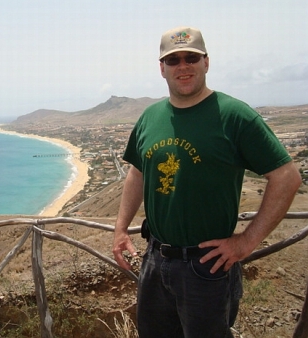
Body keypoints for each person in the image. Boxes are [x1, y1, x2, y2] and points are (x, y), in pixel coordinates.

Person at [112, 26, 302, 338]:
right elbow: (138, 171)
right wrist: (121, 229)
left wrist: (245, 242)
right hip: (155, 260)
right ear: (162, 68)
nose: (183, 66)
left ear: (206, 63)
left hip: (206, 267)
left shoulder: (235, 116)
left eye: (191, 58)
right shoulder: (150, 117)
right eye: (173, 60)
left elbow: (286, 176)